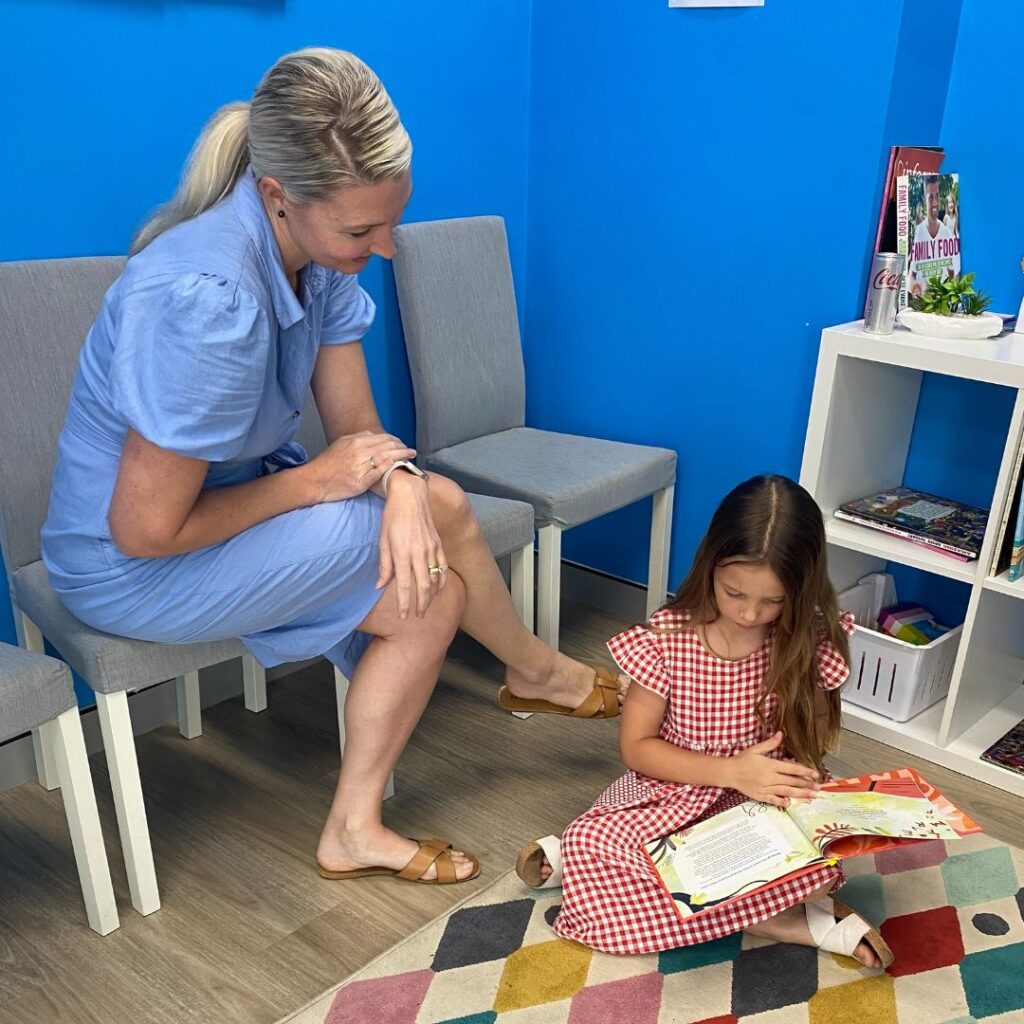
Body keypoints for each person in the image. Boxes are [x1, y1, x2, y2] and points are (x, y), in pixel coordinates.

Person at [41, 47, 622, 888]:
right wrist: (325, 482)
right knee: (448, 513)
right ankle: (535, 670)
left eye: (393, 221)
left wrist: (399, 486)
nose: (386, 249)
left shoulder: (314, 260)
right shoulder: (206, 300)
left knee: (431, 594)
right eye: (361, 231)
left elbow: (357, 431)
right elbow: (144, 529)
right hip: (125, 566)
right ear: (279, 194)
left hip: (228, 517)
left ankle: (353, 828)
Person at [514, 475, 894, 968]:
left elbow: (815, 740)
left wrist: (801, 766)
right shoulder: (668, 639)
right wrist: (731, 770)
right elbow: (637, 748)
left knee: (816, 870)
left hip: (761, 799)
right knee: (596, 843)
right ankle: (781, 920)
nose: (750, 613)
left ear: (801, 591)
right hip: (676, 790)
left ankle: (739, 903)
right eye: (734, 593)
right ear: (710, 563)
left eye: (774, 601)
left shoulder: (809, 638)